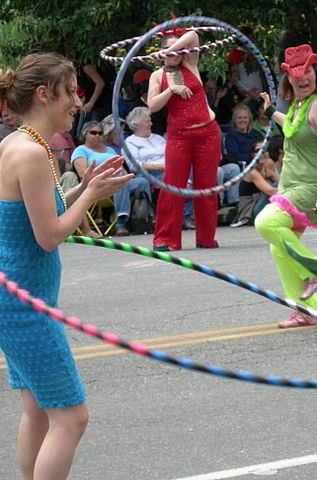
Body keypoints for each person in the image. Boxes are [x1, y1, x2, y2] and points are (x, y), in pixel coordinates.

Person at [0, 52, 130, 480]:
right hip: (25, 306)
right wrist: (90, 197)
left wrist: (86, 186)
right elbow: (50, 235)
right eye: (71, 91)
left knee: (38, 411)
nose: (78, 101)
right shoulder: (33, 154)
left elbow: (40, 215)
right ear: (44, 94)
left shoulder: (19, 143)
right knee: (71, 418)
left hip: (17, 298)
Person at [255, 44, 317, 328]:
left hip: (315, 186)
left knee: (265, 223)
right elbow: (292, 126)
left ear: (316, 73)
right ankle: (304, 310)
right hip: (292, 185)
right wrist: (271, 113)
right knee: (278, 246)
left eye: (307, 71)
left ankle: (311, 268)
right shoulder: (299, 106)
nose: (302, 77)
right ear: (288, 79)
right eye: (296, 74)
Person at [147, 30, 221, 250]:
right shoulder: (157, 76)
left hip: (207, 134)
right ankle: (165, 239)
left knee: (206, 188)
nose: (175, 54)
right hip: (179, 137)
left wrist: (170, 50)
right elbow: (153, 106)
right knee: (172, 186)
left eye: (178, 49)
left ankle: (206, 238)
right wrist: (172, 90)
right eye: (170, 50)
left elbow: (194, 35)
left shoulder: (190, 63)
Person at [71, 121, 152, 236]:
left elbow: (122, 170)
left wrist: (126, 176)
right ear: (85, 134)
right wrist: (105, 176)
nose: (98, 136)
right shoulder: (81, 150)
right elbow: (83, 174)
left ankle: (144, 219)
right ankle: (121, 223)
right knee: (119, 181)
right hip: (96, 186)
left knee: (142, 182)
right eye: (93, 133)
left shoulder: (110, 150)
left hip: (117, 182)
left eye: (100, 133)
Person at [230, 139, 278, 228]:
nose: (262, 153)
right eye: (257, 151)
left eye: (265, 150)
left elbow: (284, 184)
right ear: (252, 154)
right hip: (250, 214)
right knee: (273, 190)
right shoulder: (251, 171)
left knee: (280, 186)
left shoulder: (267, 170)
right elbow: (270, 191)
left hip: (260, 208)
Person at [123, 106, 165, 180]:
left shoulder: (158, 138)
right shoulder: (130, 142)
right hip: (148, 175)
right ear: (135, 125)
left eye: (150, 121)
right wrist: (162, 166)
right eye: (147, 121)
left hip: (168, 170)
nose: (151, 124)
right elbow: (134, 166)